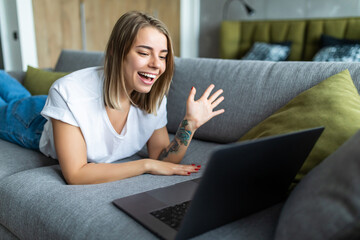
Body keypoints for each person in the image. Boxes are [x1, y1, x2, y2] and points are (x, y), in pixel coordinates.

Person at [0, 11, 224, 185]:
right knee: (12, 101)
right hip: (34, 122)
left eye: (163, 56)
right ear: (116, 54)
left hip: (59, 111)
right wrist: (144, 165)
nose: (157, 64)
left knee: (18, 94)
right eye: (144, 53)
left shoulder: (154, 99)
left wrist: (190, 125)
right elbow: (76, 174)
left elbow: (162, 158)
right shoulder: (69, 91)